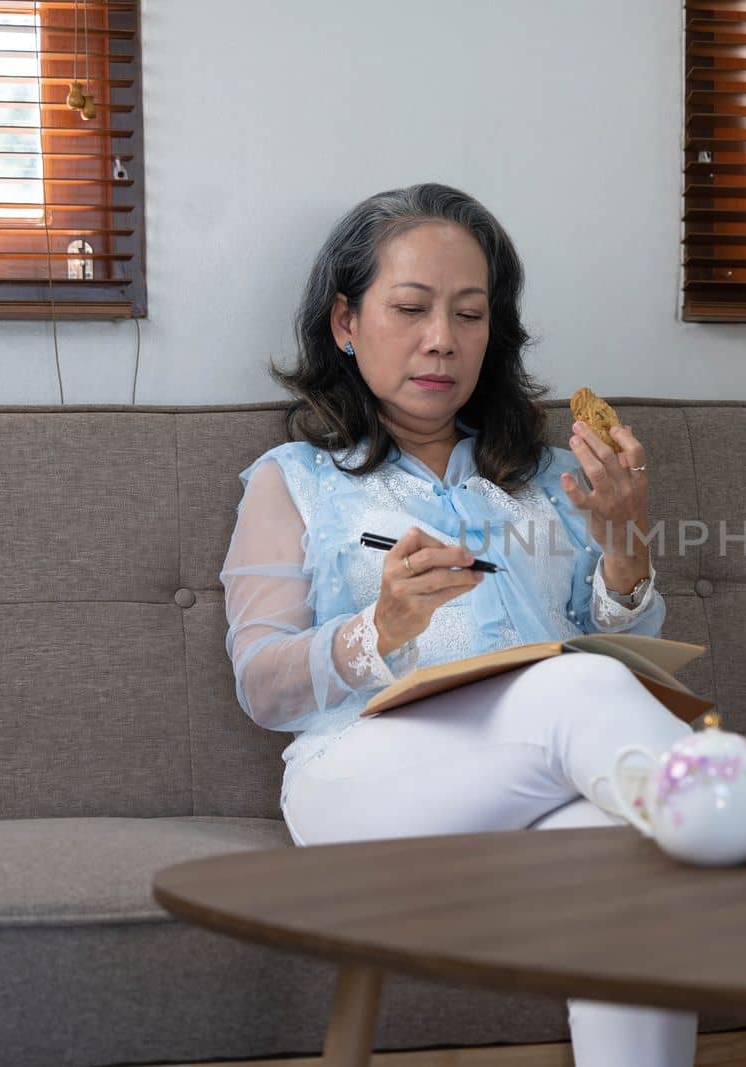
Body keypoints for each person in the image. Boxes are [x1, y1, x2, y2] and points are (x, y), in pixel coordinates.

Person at [219, 182, 696, 1067]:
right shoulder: (291, 481)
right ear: (345, 322)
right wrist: (382, 625)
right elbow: (263, 684)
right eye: (411, 307)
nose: (443, 337)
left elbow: (626, 649)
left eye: (470, 313)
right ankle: (737, 817)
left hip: (543, 770)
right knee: (577, 683)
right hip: (363, 780)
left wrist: (625, 538)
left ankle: (704, 821)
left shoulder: (558, 476)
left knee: (632, 865)